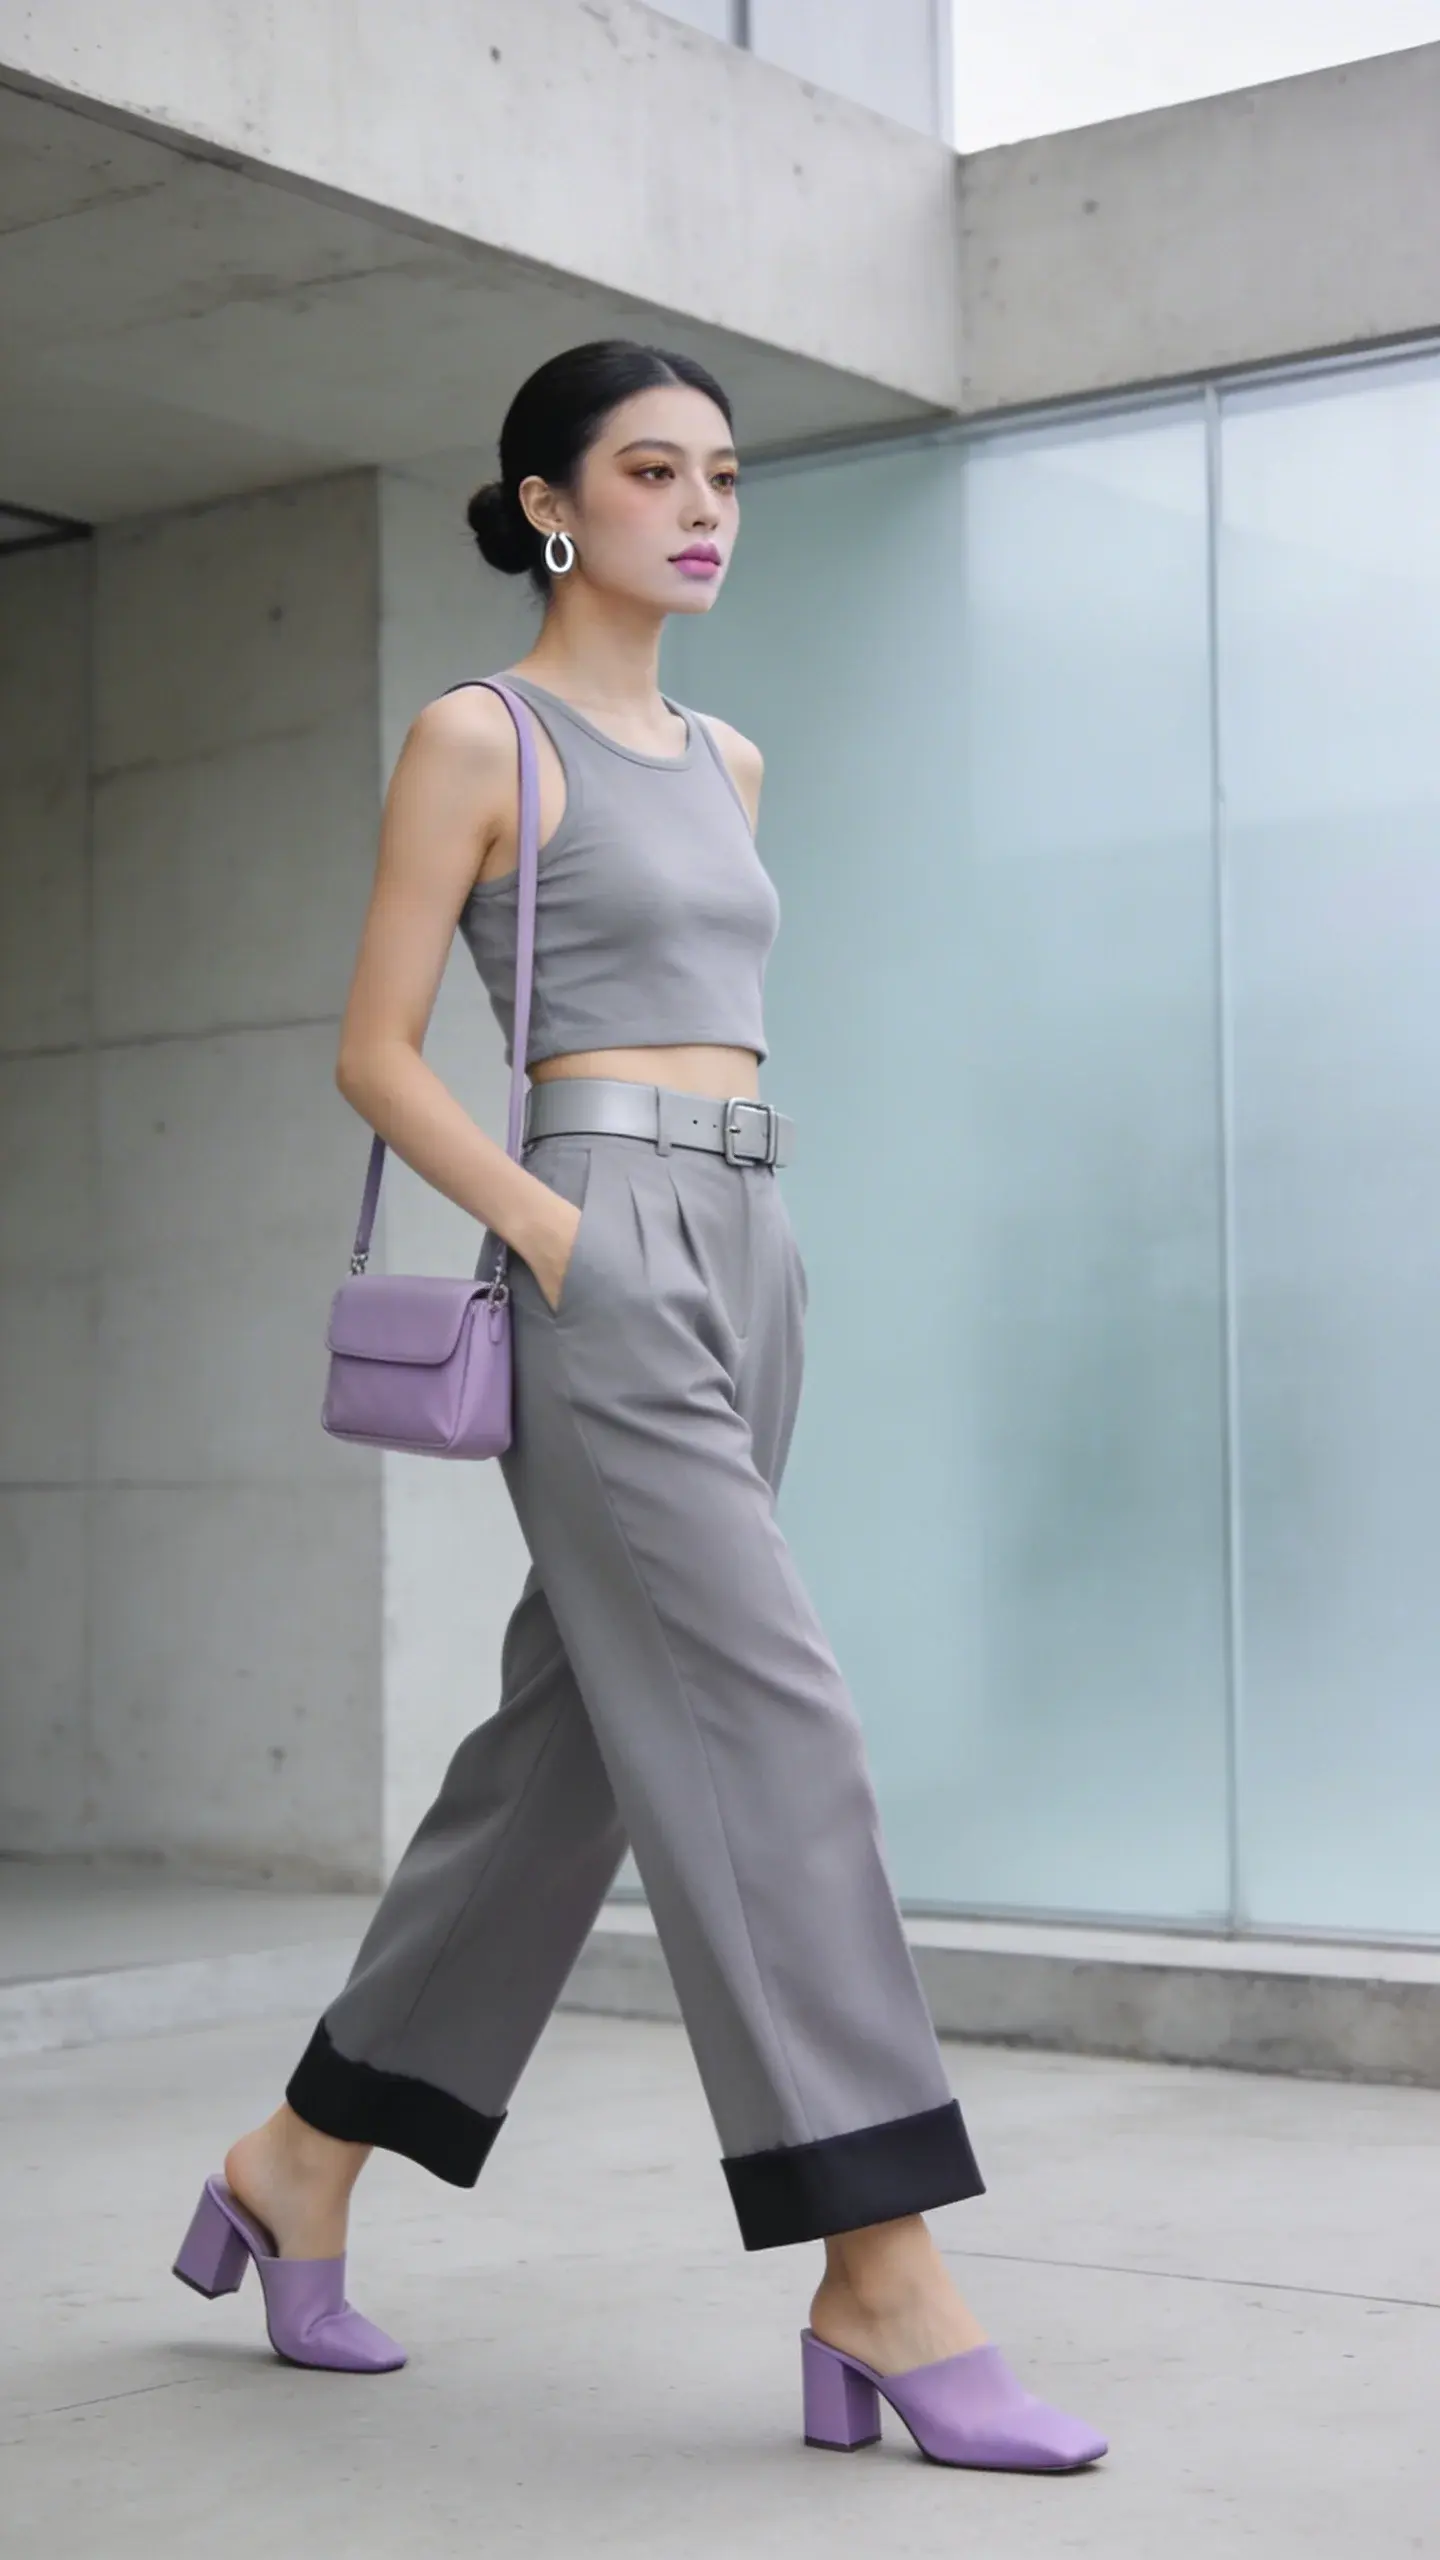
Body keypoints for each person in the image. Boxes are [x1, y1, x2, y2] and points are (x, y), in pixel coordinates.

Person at [170, 339, 1107, 2473]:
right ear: (545, 504)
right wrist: (551, 1228)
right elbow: (380, 1045)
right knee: (773, 1718)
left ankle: (296, 2159)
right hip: (592, 1241)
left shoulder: (731, 755)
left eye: (724, 475)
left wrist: (704, 1239)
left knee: (574, 1747)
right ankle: (884, 2265)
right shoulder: (475, 736)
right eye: (652, 470)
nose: (702, 507)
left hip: (754, 1246)